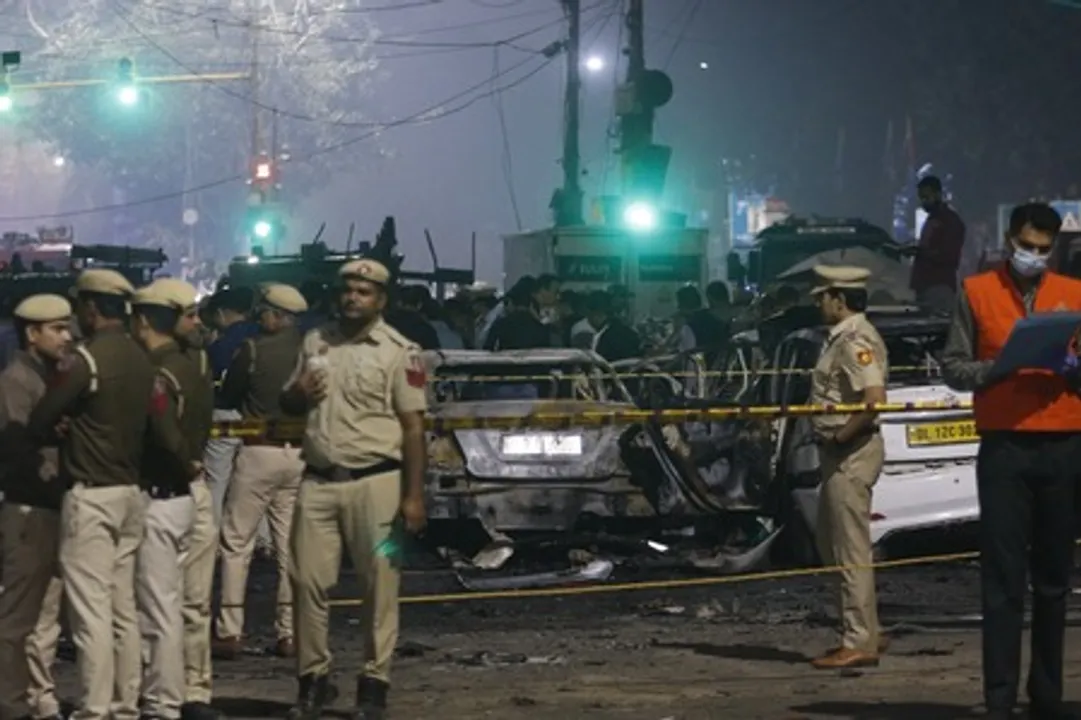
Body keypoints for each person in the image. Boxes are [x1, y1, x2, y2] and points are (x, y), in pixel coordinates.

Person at [940, 202, 1081, 720]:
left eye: (1045, 250)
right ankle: (998, 699)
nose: (1036, 257)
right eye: (1028, 246)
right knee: (1002, 581)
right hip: (1004, 449)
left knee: (1052, 580)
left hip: (1065, 446)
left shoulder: (1075, 295)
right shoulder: (976, 292)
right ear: (1009, 239)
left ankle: (1047, 697)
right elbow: (953, 367)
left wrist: (1072, 368)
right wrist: (997, 369)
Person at [281, 258, 428, 720]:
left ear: (381, 300)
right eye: (348, 289)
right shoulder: (315, 340)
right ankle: (313, 680)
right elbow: (287, 401)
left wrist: (414, 495)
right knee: (306, 583)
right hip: (320, 480)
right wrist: (300, 391)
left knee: (379, 586)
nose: (353, 298)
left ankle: (373, 685)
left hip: (377, 483)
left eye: (365, 292)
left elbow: (413, 428)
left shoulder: (400, 352)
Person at [27, 269, 157, 720]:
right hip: (131, 491)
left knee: (90, 612)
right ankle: (126, 704)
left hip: (92, 493)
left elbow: (43, 417)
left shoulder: (84, 359)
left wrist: (62, 426)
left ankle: (94, 708)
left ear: (90, 307)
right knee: (124, 608)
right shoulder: (141, 357)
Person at [214, 283, 308, 661]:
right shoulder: (313, 353)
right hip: (300, 454)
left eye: (264, 312)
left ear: (275, 316)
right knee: (289, 547)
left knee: (237, 542)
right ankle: (289, 633)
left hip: (258, 453)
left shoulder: (252, 351)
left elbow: (230, 396)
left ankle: (230, 630)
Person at [805, 265, 889, 671]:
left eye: (823, 296)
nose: (819, 303)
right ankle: (866, 627)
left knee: (849, 550)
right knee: (831, 544)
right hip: (839, 453)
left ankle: (858, 641)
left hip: (850, 453)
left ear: (840, 299)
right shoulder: (840, 338)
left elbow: (873, 399)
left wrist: (840, 438)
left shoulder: (855, 339)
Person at [130, 279, 205, 720]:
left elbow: (164, 433)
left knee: (157, 609)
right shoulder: (191, 363)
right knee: (167, 604)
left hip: (159, 492)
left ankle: (162, 702)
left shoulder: (159, 371)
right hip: (179, 495)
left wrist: (183, 461)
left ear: (142, 319)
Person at [0, 294, 72, 720]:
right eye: (57, 329)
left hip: (53, 504)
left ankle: (39, 696)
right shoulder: (16, 381)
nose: (66, 336)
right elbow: (16, 448)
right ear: (33, 333)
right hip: (29, 508)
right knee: (18, 617)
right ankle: (11, 702)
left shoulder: (52, 376)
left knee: (47, 618)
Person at [203, 287, 258, 524]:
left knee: (216, 480)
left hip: (224, 414)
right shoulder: (260, 336)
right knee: (251, 483)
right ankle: (260, 540)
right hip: (255, 414)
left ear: (223, 313)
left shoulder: (222, 345)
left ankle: (211, 535)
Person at [909, 175, 966, 311]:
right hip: (924, 287)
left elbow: (950, 255)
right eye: (921, 198)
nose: (924, 202)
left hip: (939, 287)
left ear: (938, 194)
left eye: (927, 197)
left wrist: (922, 252)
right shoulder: (931, 219)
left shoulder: (950, 221)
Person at [584, 290, 641, 363]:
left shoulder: (602, 337)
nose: (588, 320)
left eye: (588, 315)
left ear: (595, 314)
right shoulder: (630, 332)